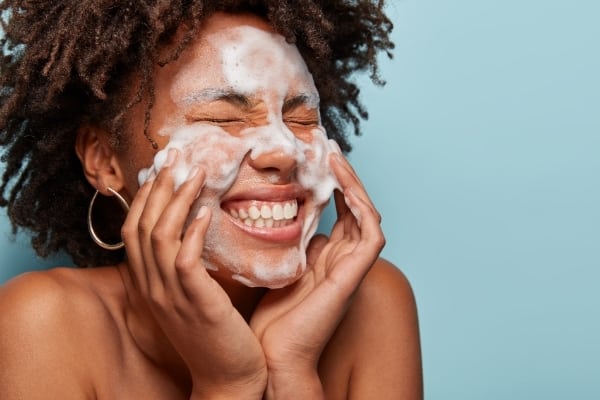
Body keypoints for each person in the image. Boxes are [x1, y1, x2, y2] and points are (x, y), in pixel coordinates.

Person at [0, 1, 422, 398]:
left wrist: (291, 371)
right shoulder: (41, 322)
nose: (284, 150)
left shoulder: (371, 301)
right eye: (223, 118)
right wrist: (228, 386)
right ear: (103, 160)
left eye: (301, 118)